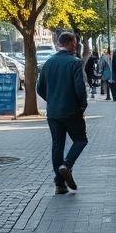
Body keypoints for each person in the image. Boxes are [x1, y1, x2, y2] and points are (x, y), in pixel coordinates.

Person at [36, 31, 88, 195]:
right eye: (75, 43)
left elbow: (40, 88)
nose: (76, 46)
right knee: (80, 139)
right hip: (71, 110)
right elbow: (80, 88)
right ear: (71, 43)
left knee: (57, 145)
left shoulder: (48, 63)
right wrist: (82, 106)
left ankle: (59, 184)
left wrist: (52, 100)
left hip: (53, 112)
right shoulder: (75, 63)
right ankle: (67, 164)